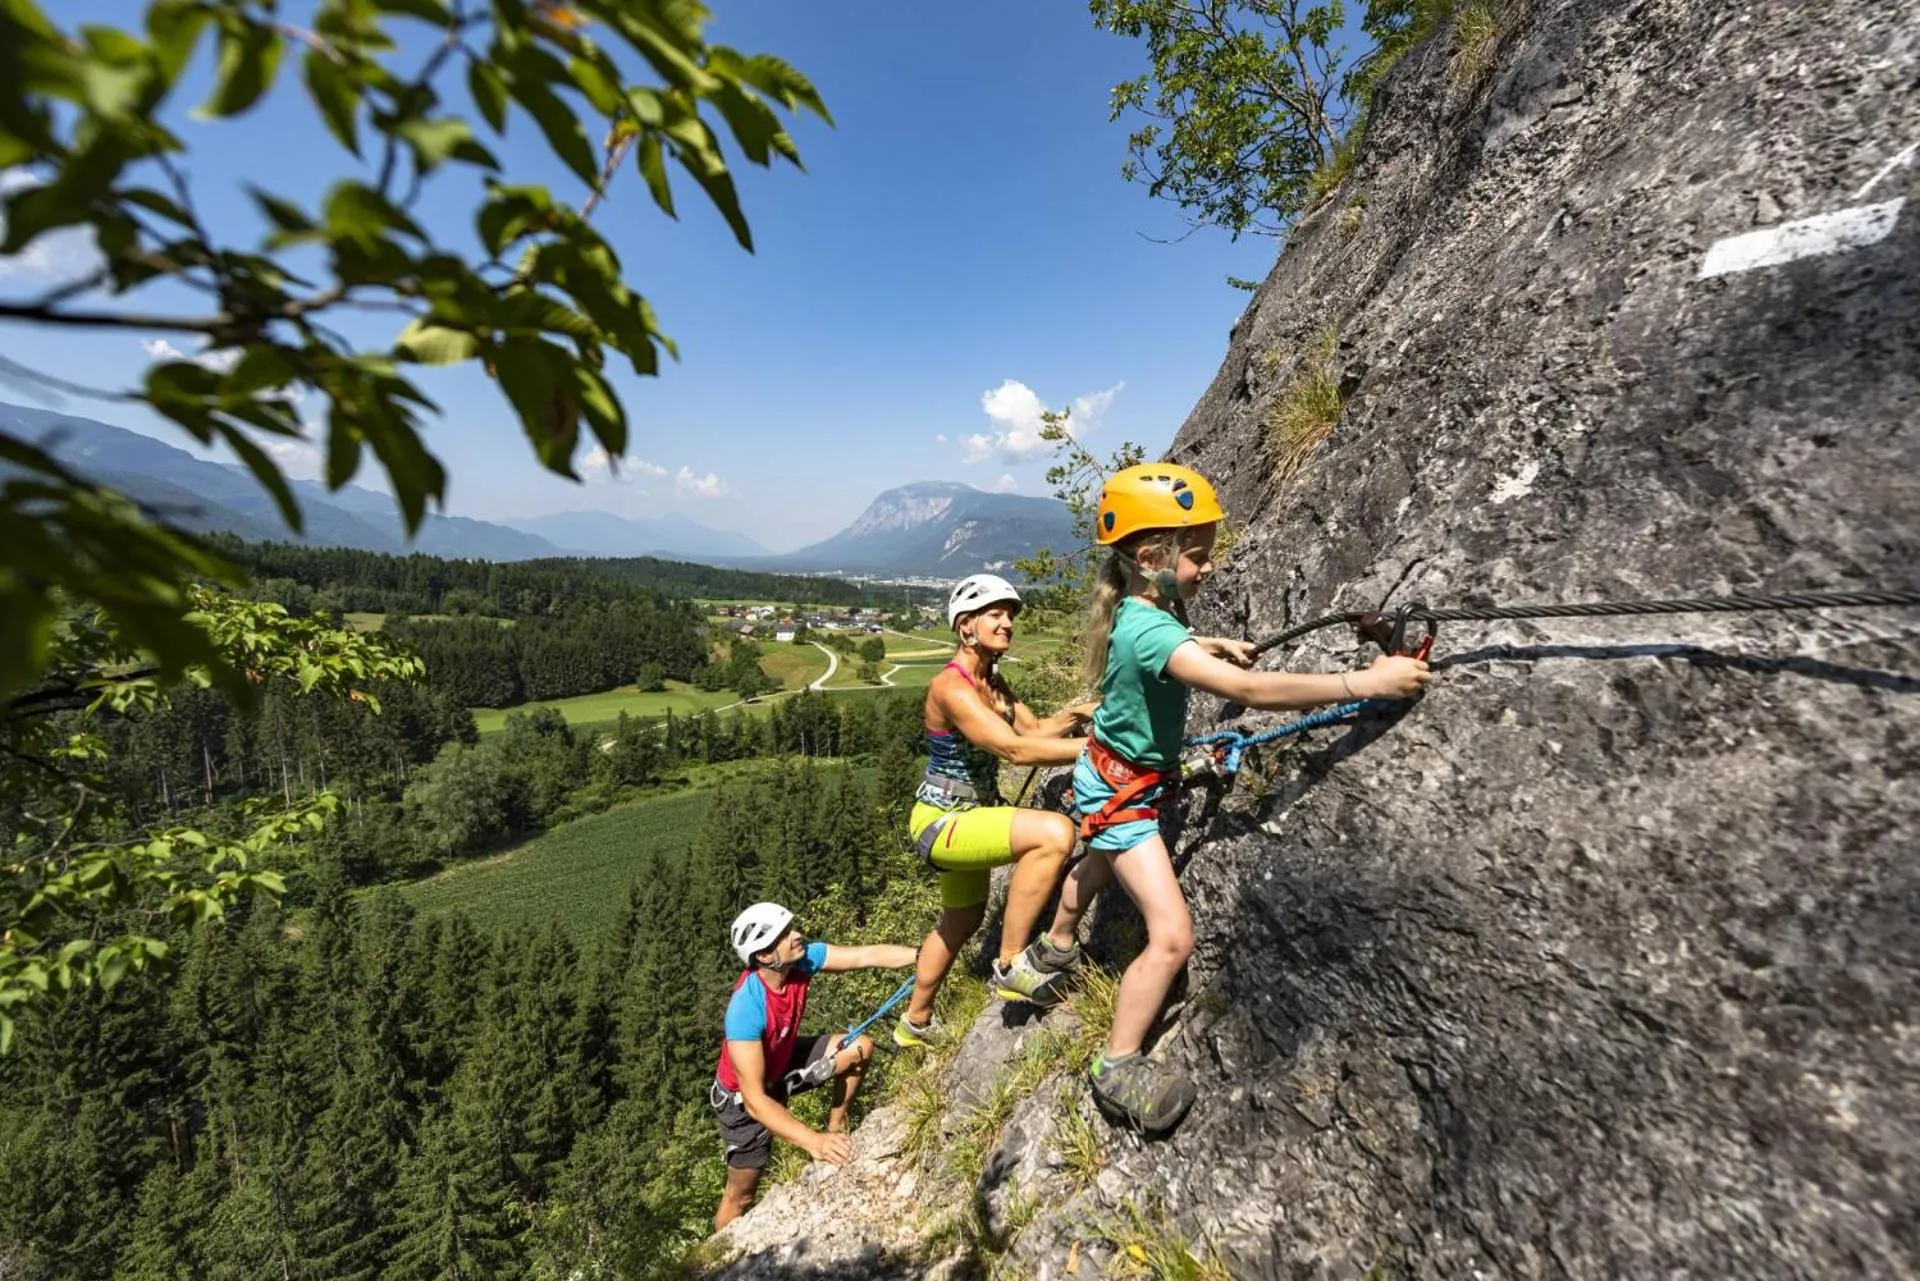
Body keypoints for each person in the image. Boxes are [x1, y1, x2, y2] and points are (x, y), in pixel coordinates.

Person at [1040, 463, 1431, 1136]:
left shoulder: (1141, 608)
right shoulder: (1153, 629)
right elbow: (1247, 692)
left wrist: (1208, 643)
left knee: (1098, 859)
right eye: (1197, 555)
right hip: (1124, 794)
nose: (1209, 566)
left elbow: (1160, 644)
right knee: (1172, 937)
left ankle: (1056, 942)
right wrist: (1364, 682)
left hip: (1108, 776)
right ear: (1150, 558)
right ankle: (1116, 1064)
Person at [894, 573, 1098, 1047]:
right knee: (1055, 833)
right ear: (966, 625)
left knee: (961, 921)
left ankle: (914, 1023)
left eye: (1010, 616)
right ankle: (1011, 965)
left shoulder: (993, 682)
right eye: (995, 615)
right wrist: (1099, 749)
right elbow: (1015, 750)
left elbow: (1035, 731)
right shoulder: (951, 687)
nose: (1007, 623)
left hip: (959, 819)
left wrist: (1081, 714)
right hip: (944, 821)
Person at [710, 901, 918, 1230]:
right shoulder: (746, 1008)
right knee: (741, 1195)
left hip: (781, 1063)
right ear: (764, 956)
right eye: (784, 935)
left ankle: (837, 1131)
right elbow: (754, 1102)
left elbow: (864, 956)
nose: (797, 935)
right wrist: (812, 1142)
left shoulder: (802, 961)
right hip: (743, 1100)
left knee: (859, 1048)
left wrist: (922, 955)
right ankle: (718, 1254)